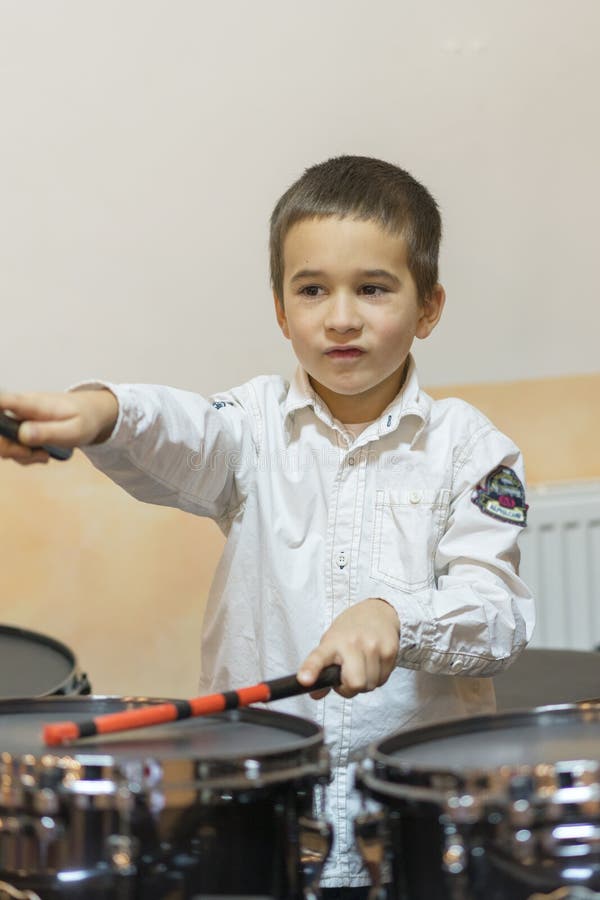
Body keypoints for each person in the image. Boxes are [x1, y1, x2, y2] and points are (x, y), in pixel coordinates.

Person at [0, 155, 534, 897]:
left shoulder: (473, 450)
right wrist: (104, 412)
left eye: (373, 288)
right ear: (281, 311)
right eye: (312, 290)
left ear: (429, 308)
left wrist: (396, 617)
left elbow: (496, 616)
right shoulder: (249, 427)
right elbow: (182, 429)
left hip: (412, 833)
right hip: (260, 823)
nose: (340, 317)